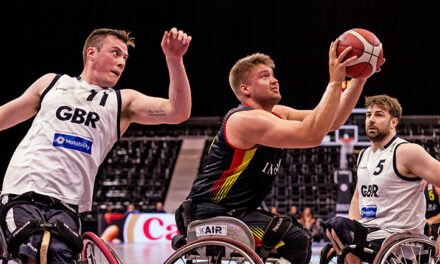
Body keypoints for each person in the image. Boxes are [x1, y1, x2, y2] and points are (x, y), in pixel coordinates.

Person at [181, 39, 383, 264]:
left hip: (235, 213)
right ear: (245, 89)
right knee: (296, 238)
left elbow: (332, 121)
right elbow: (312, 135)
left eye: (273, 74)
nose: (274, 79)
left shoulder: (278, 113)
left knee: (296, 236)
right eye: (264, 76)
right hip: (211, 213)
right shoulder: (244, 119)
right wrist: (335, 82)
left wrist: (359, 79)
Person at [0, 27, 192, 263]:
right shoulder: (52, 83)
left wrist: (174, 60)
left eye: (125, 58)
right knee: (29, 254)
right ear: (92, 53)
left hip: (68, 204)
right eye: (115, 53)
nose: (122, 62)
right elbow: (3, 117)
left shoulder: (122, 102)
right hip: (23, 189)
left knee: (57, 255)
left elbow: (178, 111)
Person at [324, 95, 440, 263]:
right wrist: (352, 231)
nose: (371, 119)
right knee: (333, 235)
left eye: (379, 115)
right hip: (373, 233)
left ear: (394, 122)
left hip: (401, 238)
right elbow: (357, 197)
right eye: (368, 114)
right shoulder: (363, 155)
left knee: (340, 226)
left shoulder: (407, 151)